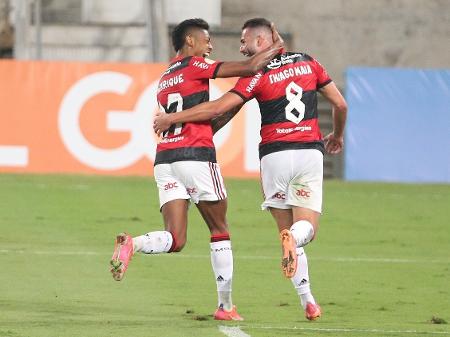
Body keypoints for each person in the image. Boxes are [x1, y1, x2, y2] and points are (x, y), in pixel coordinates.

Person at [153, 17, 348, 321]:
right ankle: (305, 291)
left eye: (244, 42)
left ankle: (308, 298)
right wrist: (336, 135)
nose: (241, 48)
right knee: (304, 229)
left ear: (260, 42)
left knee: (284, 230)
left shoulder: (255, 77)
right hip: (310, 151)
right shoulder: (310, 63)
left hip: (273, 156)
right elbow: (341, 105)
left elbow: (222, 109)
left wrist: (191, 127)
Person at [110, 18, 284, 321]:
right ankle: (225, 307)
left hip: (166, 159)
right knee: (220, 230)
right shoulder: (194, 65)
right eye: (206, 40)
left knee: (175, 238)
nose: (211, 46)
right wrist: (278, 45)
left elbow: (205, 120)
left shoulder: (165, 77)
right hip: (195, 156)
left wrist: (235, 105)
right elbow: (249, 67)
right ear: (190, 41)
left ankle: (133, 244)